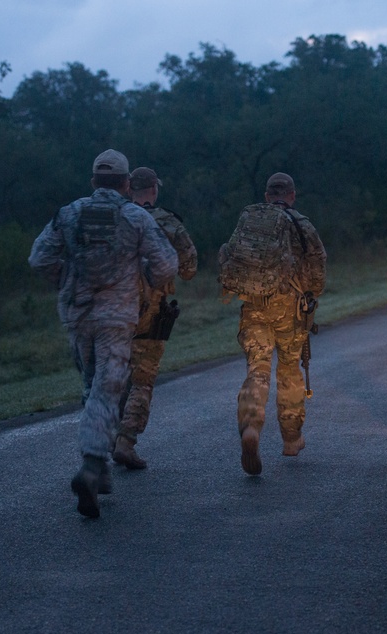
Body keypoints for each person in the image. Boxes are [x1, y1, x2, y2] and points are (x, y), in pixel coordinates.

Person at [29, 149, 177, 518]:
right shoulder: (135, 216)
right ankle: (93, 464)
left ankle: (102, 468)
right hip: (116, 316)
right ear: (126, 184)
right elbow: (166, 264)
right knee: (108, 387)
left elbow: (39, 258)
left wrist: (67, 281)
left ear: (94, 181)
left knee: (93, 385)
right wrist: (143, 277)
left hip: (78, 314)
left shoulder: (69, 213)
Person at [219, 172, 326, 475]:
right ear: (292, 195)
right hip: (291, 311)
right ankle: (291, 440)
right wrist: (311, 293)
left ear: (267, 196)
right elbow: (318, 267)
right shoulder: (301, 223)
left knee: (258, 368)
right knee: (290, 370)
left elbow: (232, 255)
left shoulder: (250, 220)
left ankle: (251, 427)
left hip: (254, 307)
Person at [113, 167, 198, 470]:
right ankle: (125, 441)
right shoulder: (167, 221)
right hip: (149, 313)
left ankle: (107, 439)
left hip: (111, 310)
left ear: (128, 189)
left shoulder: (113, 218)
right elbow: (189, 269)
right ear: (154, 190)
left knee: (114, 377)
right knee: (142, 380)